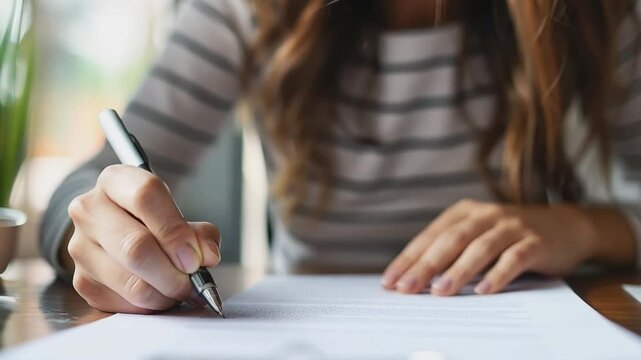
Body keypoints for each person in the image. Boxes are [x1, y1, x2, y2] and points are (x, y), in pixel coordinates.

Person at [40, 0, 641, 314]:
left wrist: (586, 227)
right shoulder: (250, 10)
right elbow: (82, 186)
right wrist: (100, 235)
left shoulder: (590, 15)